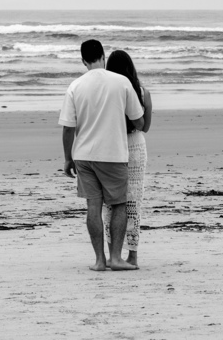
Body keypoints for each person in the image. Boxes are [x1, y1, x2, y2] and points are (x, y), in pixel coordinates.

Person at [59, 39, 144, 272]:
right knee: (119, 205)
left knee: (93, 206)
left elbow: (67, 128)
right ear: (103, 56)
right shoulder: (121, 82)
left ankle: (99, 261)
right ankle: (115, 258)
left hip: (84, 155)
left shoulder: (75, 86)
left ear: (83, 60)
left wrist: (67, 158)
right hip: (113, 154)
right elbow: (138, 120)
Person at [101, 49, 152, 267]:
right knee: (133, 203)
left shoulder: (107, 93)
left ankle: (112, 254)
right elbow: (145, 127)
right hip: (135, 145)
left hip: (113, 145)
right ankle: (132, 256)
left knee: (110, 203)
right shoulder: (142, 92)